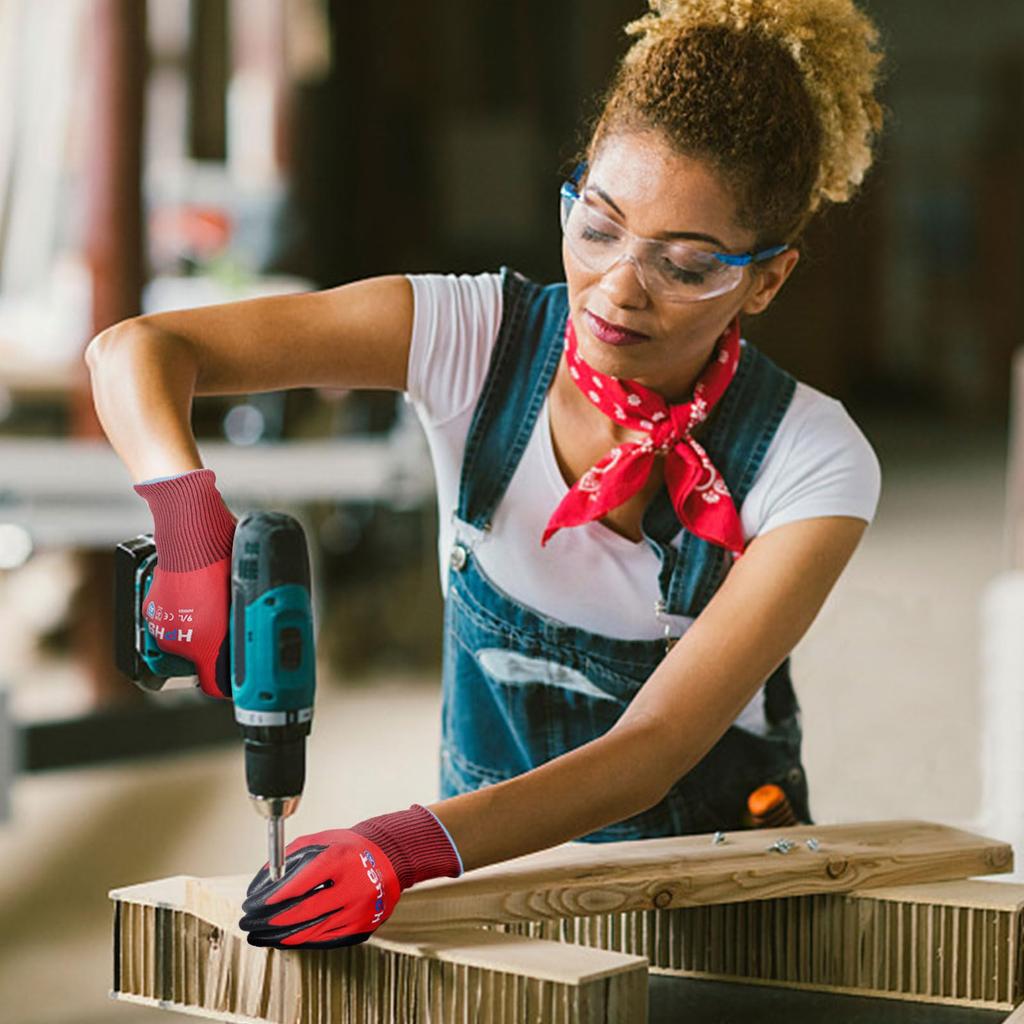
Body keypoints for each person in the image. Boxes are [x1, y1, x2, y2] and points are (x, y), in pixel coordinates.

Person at [86, 0, 884, 949]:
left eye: (685, 264)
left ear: (768, 279)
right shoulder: (475, 337)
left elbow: (652, 751)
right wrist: (184, 518)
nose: (620, 287)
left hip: (709, 892)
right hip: (486, 877)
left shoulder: (814, 458)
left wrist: (403, 844)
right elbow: (138, 349)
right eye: (598, 227)